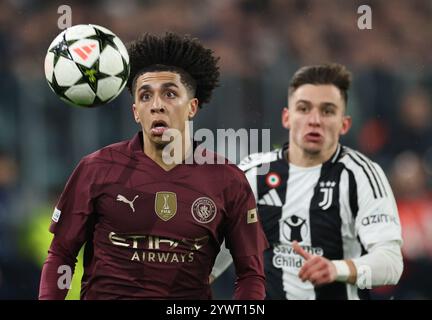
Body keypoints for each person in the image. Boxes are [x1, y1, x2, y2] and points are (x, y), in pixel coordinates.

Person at [39, 32, 268, 300]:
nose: (157, 105)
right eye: (145, 96)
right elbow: (61, 254)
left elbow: (250, 275)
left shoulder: (228, 180)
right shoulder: (96, 169)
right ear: (136, 111)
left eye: (170, 94)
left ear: (192, 107)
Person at [212, 63, 403, 299]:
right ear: (287, 117)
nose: (315, 120)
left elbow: (391, 263)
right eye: (304, 108)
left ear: (344, 124)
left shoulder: (361, 175)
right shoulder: (254, 172)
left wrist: (337, 269)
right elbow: (216, 251)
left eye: (327, 111)